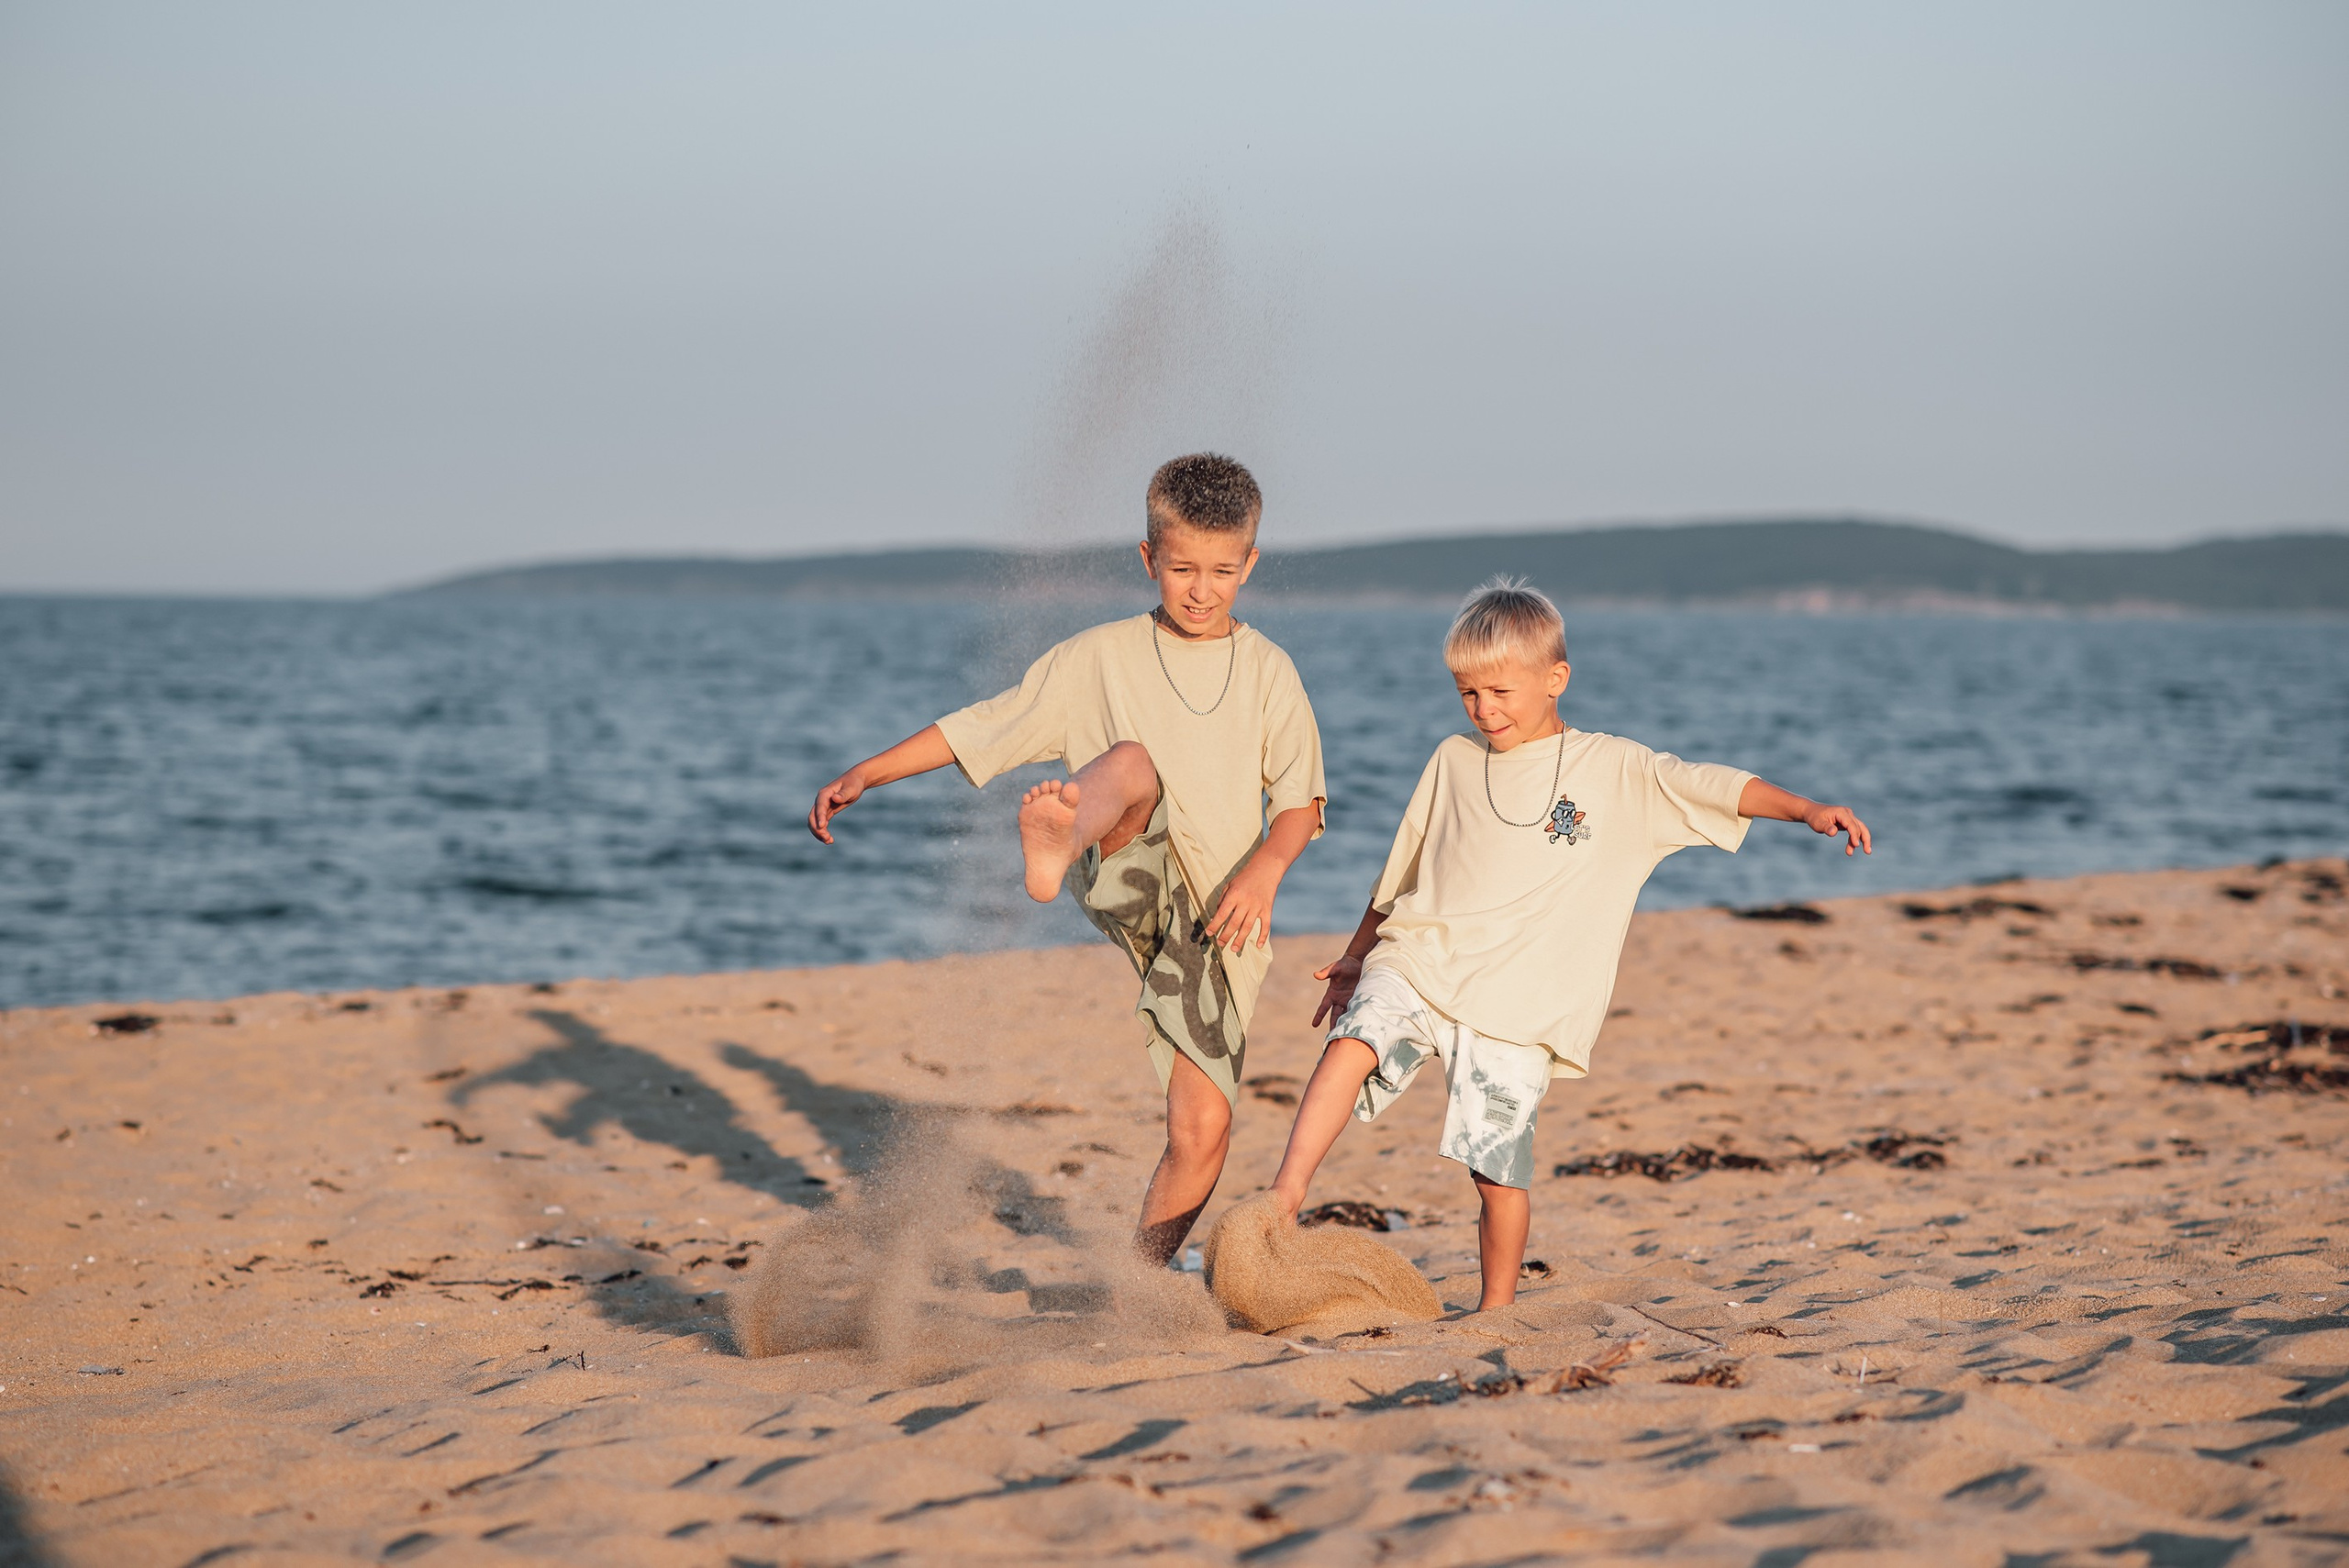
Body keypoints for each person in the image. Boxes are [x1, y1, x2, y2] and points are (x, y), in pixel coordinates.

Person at [1262, 577, 1870, 1311]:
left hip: (1521, 1002)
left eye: (1501, 691)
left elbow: (1712, 786)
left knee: (1497, 1172)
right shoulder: (1452, 761)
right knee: (1356, 1038)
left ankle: (1495, 1310)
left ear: (1556, 680)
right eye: (1468, 694)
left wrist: (1806, 809)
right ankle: (1282, 1201)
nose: (1485, 710)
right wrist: (1359, 955)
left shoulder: (1613, 769)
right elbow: (1401, 873)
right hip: (1423, 956)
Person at [807, 453, 1327, 1264]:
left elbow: (1300, 802)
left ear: (1250, 564)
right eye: (1182, 567)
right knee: (1130, 761)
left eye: (1223, 571)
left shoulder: (1267, 671)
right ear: (1148, 557)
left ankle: (1138, 1278)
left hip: (1218, 920)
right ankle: (1058, 841)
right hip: (1123, 857)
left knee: (1204, 1129)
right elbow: (987, 723)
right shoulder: (1097, 657)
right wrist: (870, 769)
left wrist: (1267, 867)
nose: (1201, 589)